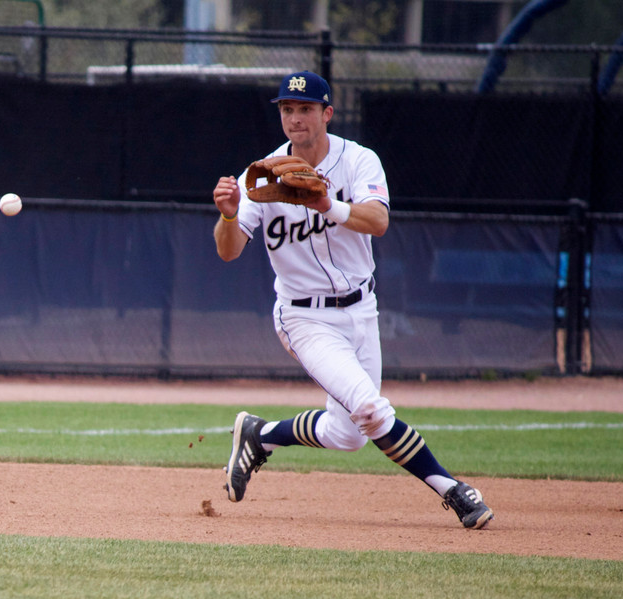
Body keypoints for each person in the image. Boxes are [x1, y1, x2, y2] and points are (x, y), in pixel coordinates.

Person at [211, 70, 494, 529]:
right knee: (369, 408)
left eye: (305, 109)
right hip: (304, 318)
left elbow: (377, 221)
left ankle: (259, 434)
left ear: (327, 113)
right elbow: (228, 251)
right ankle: (454, 491)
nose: (295, 118)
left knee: (347, 435)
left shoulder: (359, 160)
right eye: (287, 109)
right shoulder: (259, 176)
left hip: (362, 309)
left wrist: (327, 206)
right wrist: (227, 216)